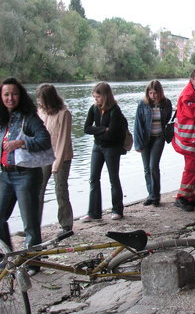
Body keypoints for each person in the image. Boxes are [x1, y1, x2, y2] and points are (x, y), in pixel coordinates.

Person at [0, 77, 51, 271]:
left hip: (26, 175)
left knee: (29, 222)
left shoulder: (28, 117)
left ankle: (33, 262)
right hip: (5, 175)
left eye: (14, 94)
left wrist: (22, 142)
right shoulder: (2, 118)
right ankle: (6, 258)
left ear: (20, 96)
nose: (10, 98)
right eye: (6, 94)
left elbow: (44, 140)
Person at [82, 82, 127, 222]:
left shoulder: (115, 110)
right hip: (97, 147)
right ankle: (94, 212)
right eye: (94, 97)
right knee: (93, 178)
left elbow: (112, 133)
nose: (96, 100)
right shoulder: (93, 109)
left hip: (111, 148)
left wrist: (100, 131)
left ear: (106, 96)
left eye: (98, 97)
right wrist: (102, 129)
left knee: (113, 178)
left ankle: (117, 210)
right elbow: (87, 128)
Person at [36, 84, 74, 232]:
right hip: (43, 156)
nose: (40, 102)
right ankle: (34, 225)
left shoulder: (64, 114)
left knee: (61, 190)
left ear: (49, 99)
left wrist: (56, 165)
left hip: (62, 157)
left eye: (42, 100)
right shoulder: (40, 111)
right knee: (38, 191)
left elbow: (63, 140)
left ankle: (66, 225)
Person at [172, 69, 195, 212]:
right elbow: (193, 113)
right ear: (192, 79)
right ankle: (181, 197)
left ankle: (192, 196)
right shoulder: (188, 94)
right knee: (191, 168)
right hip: (188, 140)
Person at [133, 80, 173, 207]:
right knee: (146, 169)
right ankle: (150, 194)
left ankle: (156, 196)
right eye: (150, 93)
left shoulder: (166, 103)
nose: (153, 95)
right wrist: (138, 144)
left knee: (153, 166)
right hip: (146, 139)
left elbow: (167, 119)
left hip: (159, 138)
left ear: (160, 92)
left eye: (155, 93)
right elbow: (137, 125)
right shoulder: (142, 104)